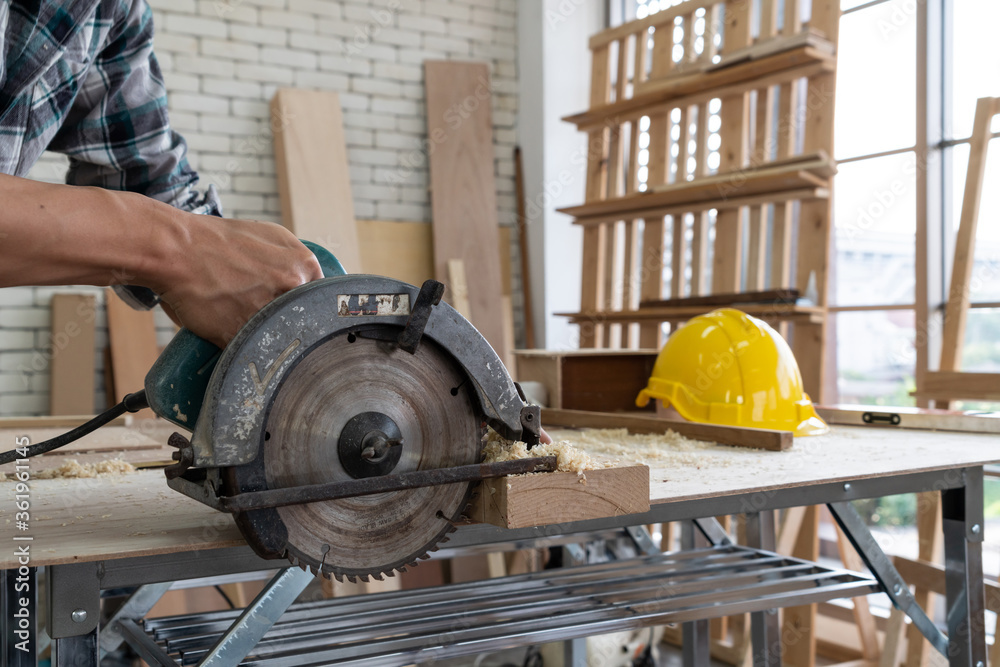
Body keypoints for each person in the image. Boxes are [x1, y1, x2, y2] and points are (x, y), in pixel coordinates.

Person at [0, 0, 321, 348]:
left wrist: (244, 270)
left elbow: (151, 185)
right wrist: (179, 248)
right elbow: (185, 244)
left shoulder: (113, 10)